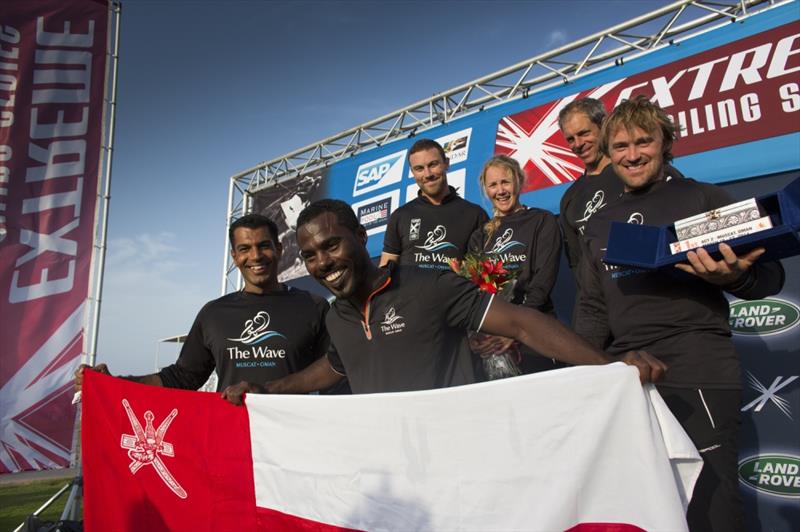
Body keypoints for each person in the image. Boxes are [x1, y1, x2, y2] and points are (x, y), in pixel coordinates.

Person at [575, 96, 785, 532]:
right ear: (607, 153)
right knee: (647, 507)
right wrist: (589, 374)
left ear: (666, 143)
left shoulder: (703, 197)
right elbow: (593, 308)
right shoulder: (599, 224)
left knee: (713, 507)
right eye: (620, 147)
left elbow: (770, 279)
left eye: (643, 142)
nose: (632, 155)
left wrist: (731, 279)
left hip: (698, 369)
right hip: (627, 379)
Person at [223, 199, 666, 400]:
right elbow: (334, 366)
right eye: (311, 256)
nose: (323, 262)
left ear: (361, 237)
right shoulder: (336, 315)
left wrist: (607, 367)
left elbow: (523, 324)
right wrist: (267, 389)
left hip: (458, 466)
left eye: (332, 246)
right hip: (392, 478)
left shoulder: (428, 285)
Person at [75, 214, 334, 394]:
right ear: (234, 257)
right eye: (244, 249)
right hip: (231, 439)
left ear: (278, 249)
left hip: (295, 443)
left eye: (263, 246)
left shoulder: (313, 306)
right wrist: (113, 383)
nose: (255, 256)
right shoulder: (214, 314)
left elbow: (336, 371)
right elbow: (182, 378)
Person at [468, 154, 565, 374]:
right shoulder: (480, 236)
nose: (500, 190)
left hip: (537, 337)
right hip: (494, 344)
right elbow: (474, 291)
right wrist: (477, 336)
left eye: (505, 182)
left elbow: (542, 282)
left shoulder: (542, 220)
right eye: (493, 185)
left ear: (518, 182)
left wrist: (515, 330)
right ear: (486, 189)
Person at [379, 138, 488, 269]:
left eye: (433, 164)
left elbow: (485, 269)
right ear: (412, 172)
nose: (427, 174)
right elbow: (386, 272)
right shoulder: (400, 216)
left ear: (446, 163)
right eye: (419, 168)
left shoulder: (475, 214)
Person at [557, 98, 623, 273]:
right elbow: (577, 263)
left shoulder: (632, 173)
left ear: (602, 127)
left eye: (584, 133)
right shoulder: (570, 198)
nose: (578, 144)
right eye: (571, 139)